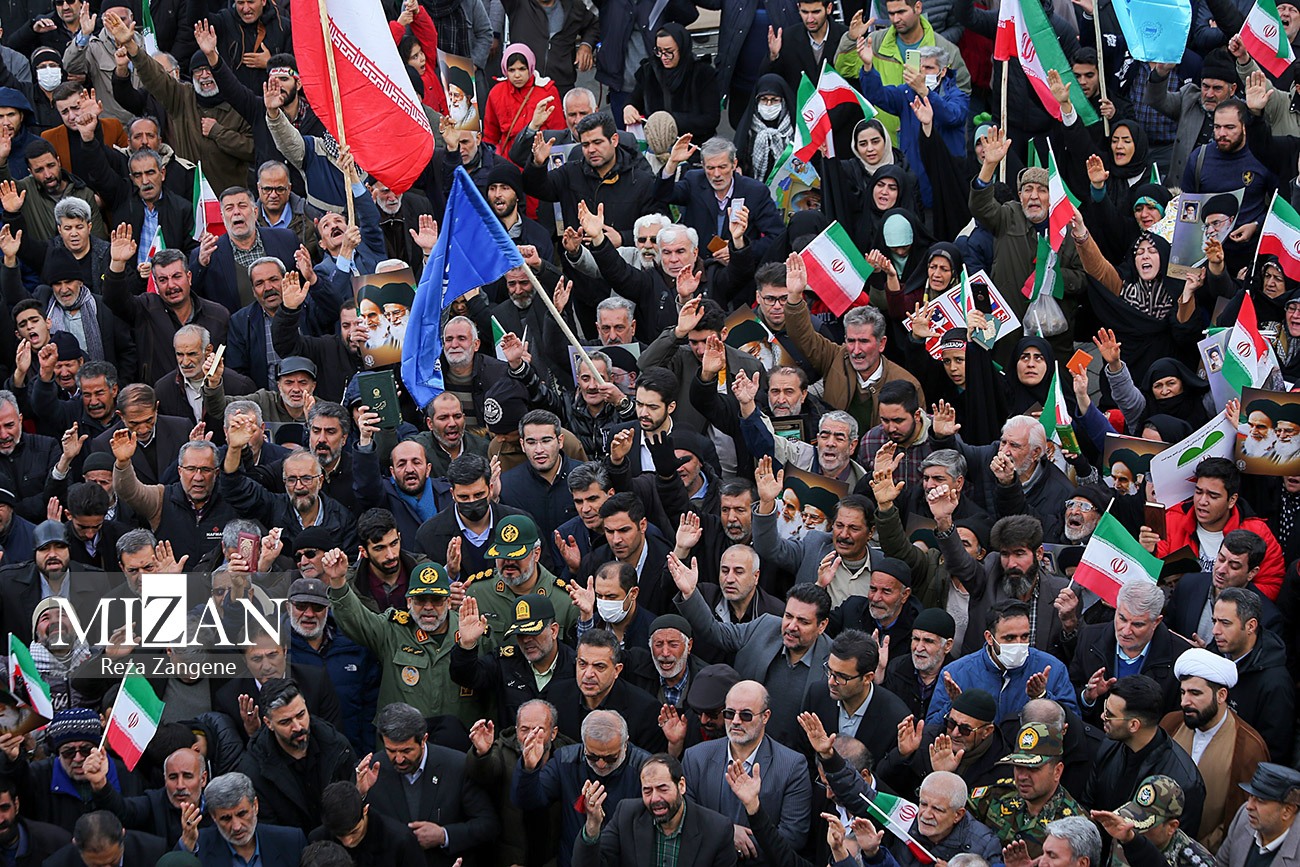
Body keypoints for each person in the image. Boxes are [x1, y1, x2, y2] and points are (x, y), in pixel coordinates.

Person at [669, 550, 833, 747]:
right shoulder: (765, 627)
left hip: (795, 757)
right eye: (788, 616)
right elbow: (715, 632)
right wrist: (690, 593)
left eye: (803, 621)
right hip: (744, 747)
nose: (791, 626)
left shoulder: (832, 661)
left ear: (822, 626)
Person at [680, 680, 812, 863]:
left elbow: (793, 837)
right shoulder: (696, 757)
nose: (735, 721)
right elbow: (685, 818)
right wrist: (728, 833)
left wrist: (738, 847)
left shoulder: (792, 765)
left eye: (746, 715)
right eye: (729, 713)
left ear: (765, 717)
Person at [355, 702, 498, 867]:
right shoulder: (369, 770)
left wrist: (444, 835)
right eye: (391, 751)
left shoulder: (457, 767)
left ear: (423, 739)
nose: (399, 759)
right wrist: (360, 794)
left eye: (407, 751)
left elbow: (488, 825)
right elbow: (353, 831)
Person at [1158, 648, 1269, 852]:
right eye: (1183, 692)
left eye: (1195, 693)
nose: (1184, 702)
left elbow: (1241, 818)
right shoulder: (1171, 724)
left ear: (1221, 695)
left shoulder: (1248, 747)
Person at [512, 709, 650, 867]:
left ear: (625, 744)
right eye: (592, 756)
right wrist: (528, 770)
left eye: (611, 758)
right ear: (583, 744)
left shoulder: (644, 767)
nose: (601, 764)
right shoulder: (565, 760)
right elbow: (528, 802)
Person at [1082, 676, 1207, 839]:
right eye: (1105, 708)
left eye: (1110, 714)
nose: (1102, 716)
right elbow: (1088, 805)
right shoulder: (1108, 746)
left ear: (1134, 725)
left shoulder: (1185, 782)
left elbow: (1177, 845)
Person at [926, 601, 1078, 727]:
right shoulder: (956, 673)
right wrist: (955, 706)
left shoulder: (1052, 669)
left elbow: (1073, 725)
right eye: (1009, 638)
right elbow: (931, 728)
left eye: (1024, 637)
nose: (1018, 644)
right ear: (989, 638)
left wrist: (1042, 697)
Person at [571, 753, 737, 867]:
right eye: (647, 791)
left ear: (681, 786)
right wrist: (592, 825)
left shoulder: (717, 829)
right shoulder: (627, 815)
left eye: (662, 789)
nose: (655, 798)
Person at [1069, 580, 1192, 724]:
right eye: (1122, 618)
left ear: (1156, 622)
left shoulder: (1181, 657)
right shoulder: (1089, 638)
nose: (1126, 631)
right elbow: (1071, 692)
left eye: (1137, 624)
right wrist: (1087, 697)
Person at [969, 722, 1086, 856]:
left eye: (1033, 769)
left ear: (1057, 771)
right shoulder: (999, 794)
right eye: (1018, 767)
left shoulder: (1074, 825)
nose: (1022, 777)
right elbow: (956, 813)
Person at [1210, 588, 1296, 762]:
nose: (1215, 631)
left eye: (1225, 623)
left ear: (1250, 626)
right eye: (1214, 621)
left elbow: (1273, 753)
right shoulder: (1214, 654)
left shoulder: (1276, 684)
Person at [176, 771, 307, 865]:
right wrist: (187, 845)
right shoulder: (199, 846)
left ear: (255, 806)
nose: (236, 826)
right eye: (226, 818)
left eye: (242, 814)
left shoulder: (291, 842)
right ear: (213, 817)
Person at [1092, 776, 1216, 867]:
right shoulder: (1125, 835)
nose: (1135, 831)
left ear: (1171, 827)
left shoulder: (1195, 862)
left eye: (1144, 826)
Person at [311, 780, 425, 867]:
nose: (347, 842)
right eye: (339, 835)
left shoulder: (401, 842)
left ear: (365, 810)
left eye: (354, 832)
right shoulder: (318, 840)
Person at [1216, 763, 1300, 867]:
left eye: (1260, 800)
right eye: (1251, 796)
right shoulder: (1244, 817)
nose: (1249, 806)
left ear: (1287, 811)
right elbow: (1220, 863)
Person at [41, 810, 167, 867]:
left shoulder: (153, 852)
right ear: (75, 844)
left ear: (123, 834)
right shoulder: (57, 864)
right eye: (96, 866)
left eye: (114, 862)